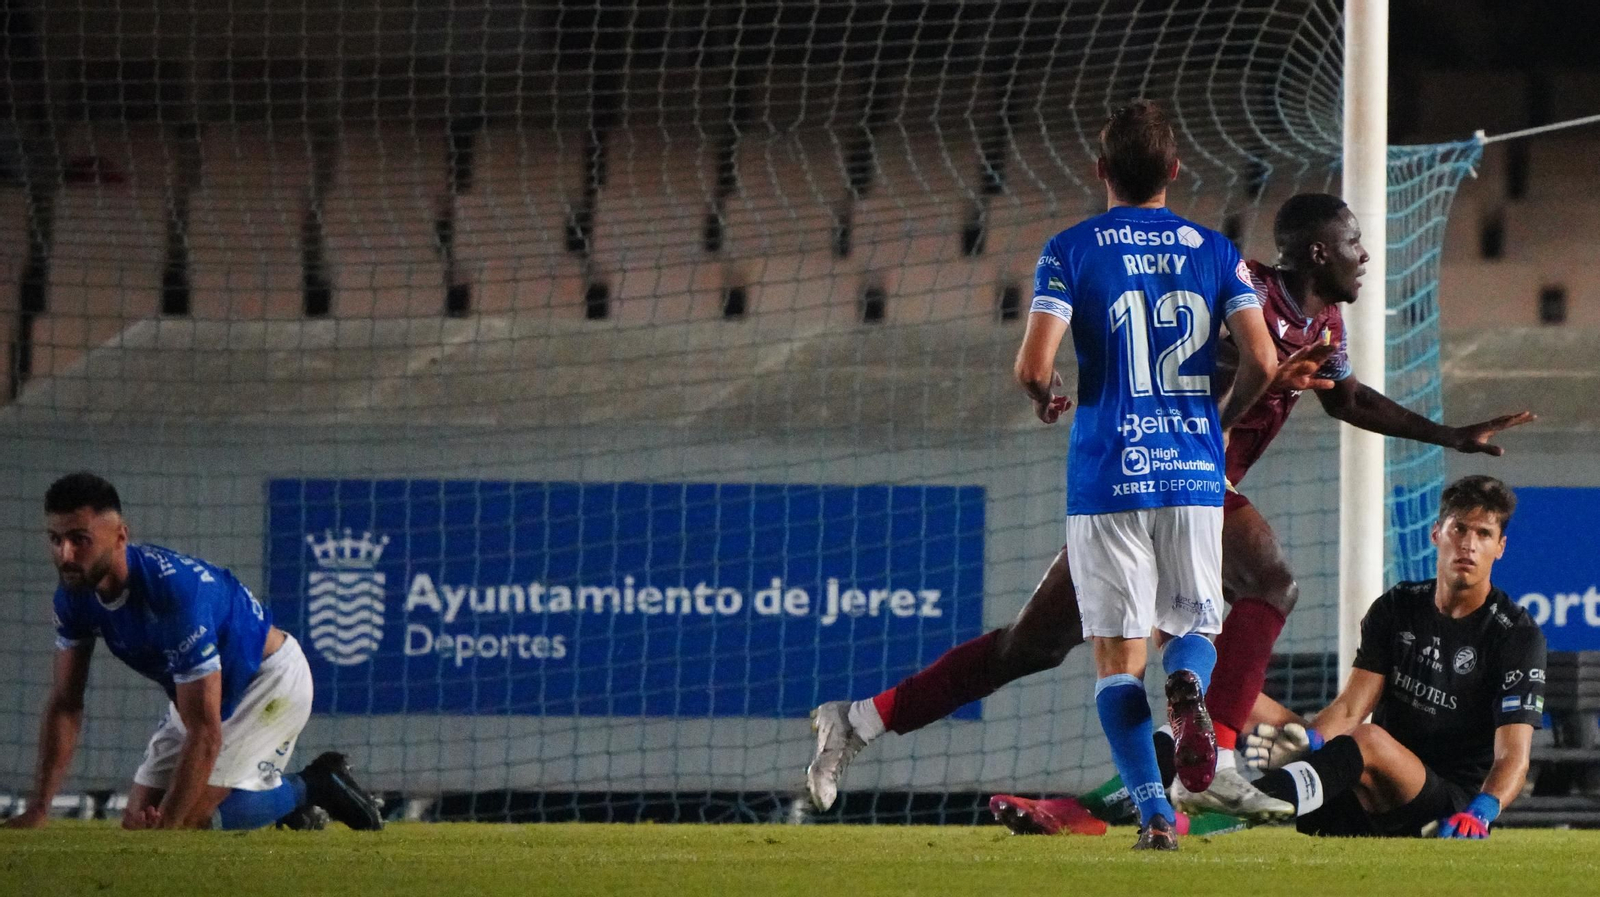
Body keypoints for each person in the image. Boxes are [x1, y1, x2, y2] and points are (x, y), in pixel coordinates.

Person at [806, 190, 1535, 830]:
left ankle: (859, 718)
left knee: (1027, 649)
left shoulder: (1326, 323)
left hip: (1186, 487)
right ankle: (1214, 759)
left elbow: (1347, 399)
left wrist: (1450, 435)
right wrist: (1267, 377)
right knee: (1269, 581)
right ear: (1319, 251)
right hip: (1165, 470)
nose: (1365, 255)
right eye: (1353, 242)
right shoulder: (1245, 291)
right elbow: (1186, 394)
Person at [6, 472, 383, 831]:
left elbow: (205, 731)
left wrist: (169, 829)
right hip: (204, 691)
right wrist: (39, 809)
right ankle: (279, 807)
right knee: (136, 817)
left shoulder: (172, 594)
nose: (65, 554)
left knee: (190, 819)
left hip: (266, 679)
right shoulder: (73, 597)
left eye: (79, 539)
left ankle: (313, 784)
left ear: (120, 537)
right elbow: (66, 703)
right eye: (55, 539)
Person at [1242, 475, 1544, 839]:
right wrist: (1310, 744)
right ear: (1437, 533)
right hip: (1372, 784)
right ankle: (1182, 794)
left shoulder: (1516, 634)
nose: (1468, 544)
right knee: (1235, 695)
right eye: (1459, 529)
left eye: (1483, 534)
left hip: (1447, 806)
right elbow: (1349, 709)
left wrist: (1481, 812)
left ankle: (1235, 810)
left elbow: (1513, 756)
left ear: (1500, 547)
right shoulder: (1397, 606)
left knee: (1369, 739)